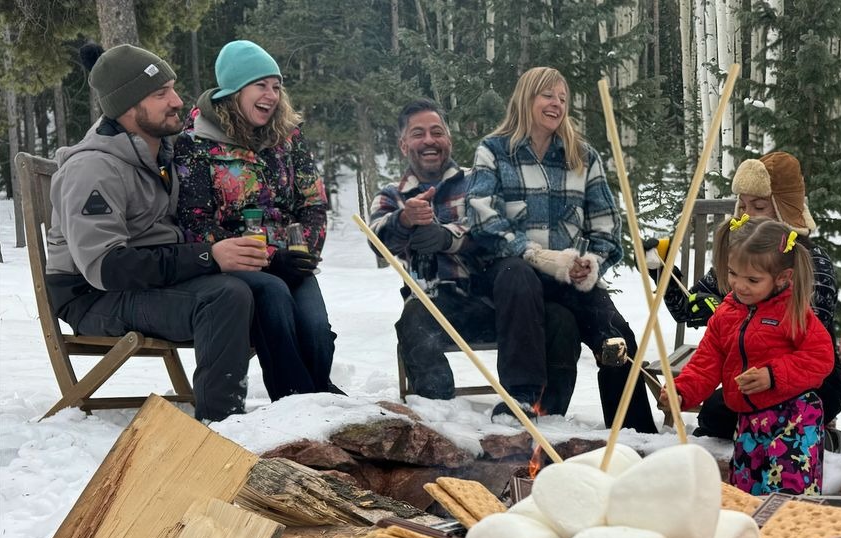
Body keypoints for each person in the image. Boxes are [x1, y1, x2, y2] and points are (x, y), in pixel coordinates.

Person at [46, 43, 263, 422]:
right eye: (160, 94)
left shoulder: (159, 155)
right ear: (128, 107)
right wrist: (207, 257)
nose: (177, 101)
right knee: (224, 297)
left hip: (138, 285)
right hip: (92, 297)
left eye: (174, 89)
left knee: (265, 287)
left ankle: (300, 410)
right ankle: (220, 424)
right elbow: (106, 268)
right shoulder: (92, 170)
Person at [466, 66, 657, 433]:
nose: (556, 104)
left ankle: (635, 432)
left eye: (563, 98)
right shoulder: (494, 151)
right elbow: (482, 220)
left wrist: (589, 262)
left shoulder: (582, 156)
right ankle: (520, 397)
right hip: (510, 271)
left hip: (567, 276)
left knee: (616, 334)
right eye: (548, 95)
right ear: (527, 98)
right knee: (517, 275)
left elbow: (606, 227)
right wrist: (537, 255)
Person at [367, 99, 582, 416]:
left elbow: (501, 230)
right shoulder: (392, 195)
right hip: (438, 302)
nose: (429, 140)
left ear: (448, 140)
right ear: (403, 144)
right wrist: (404, 220)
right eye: (418, 133)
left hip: (499, 299)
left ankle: (537, 411)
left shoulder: (480, 180)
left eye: (436, 132)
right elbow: (378, 242)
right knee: (413, 321)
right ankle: (442, 418)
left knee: (558, 318)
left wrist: (449, 236)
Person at [645, 151, 841, 451]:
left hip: (807, 381)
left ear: (783, 208)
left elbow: (808, 340)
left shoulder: (808, 261)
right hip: (748, 381)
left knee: (748, 413)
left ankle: (822, 438)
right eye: (742, 205)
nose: (746, 214)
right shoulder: (741, 261)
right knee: (716, 412)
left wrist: (771, 375)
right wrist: (662, 272)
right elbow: (688, 310)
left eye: (759, 205)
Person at [176, 40, 338, 401]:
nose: (272, 96)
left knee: (314, 324)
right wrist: (266, 258)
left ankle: (320, 396)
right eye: (261, 86)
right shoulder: (196, 144)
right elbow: (195, 221)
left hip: (289, 260)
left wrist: (301, 254)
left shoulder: (289, 138)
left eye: (277, 87)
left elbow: (312, 202)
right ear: (234, 90)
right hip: (238, 262)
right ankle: (296, 398)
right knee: (274, 295)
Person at [660, 217, 834, 495]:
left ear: (782, 278)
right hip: (748, 421)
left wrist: (773, 375)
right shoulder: (726, 314)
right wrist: (682, 390)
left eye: (752, 279)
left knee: (788, 497)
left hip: (794, 419)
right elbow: (706, 361)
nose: (739, 285)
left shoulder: (793, 311)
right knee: (746, 493)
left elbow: (820, 357)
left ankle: (792, 536)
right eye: (732, 274)